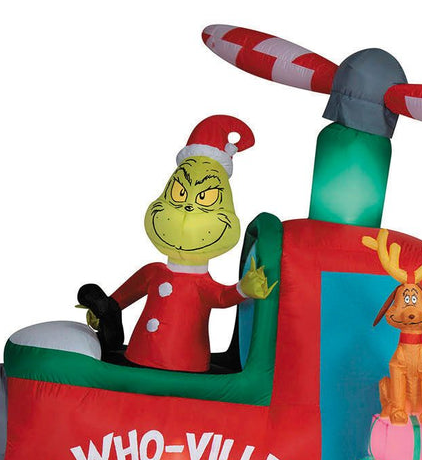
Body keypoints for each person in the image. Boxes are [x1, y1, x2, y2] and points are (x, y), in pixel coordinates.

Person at [81, 115, 276, 372]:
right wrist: (105, 309)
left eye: (204, 198)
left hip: (185, 363)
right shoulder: (153, 272)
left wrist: (243, 289)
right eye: (180, 193)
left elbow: (220, 296)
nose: (187, 207)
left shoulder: (200, 284)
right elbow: (126, 294)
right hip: (139, 355)